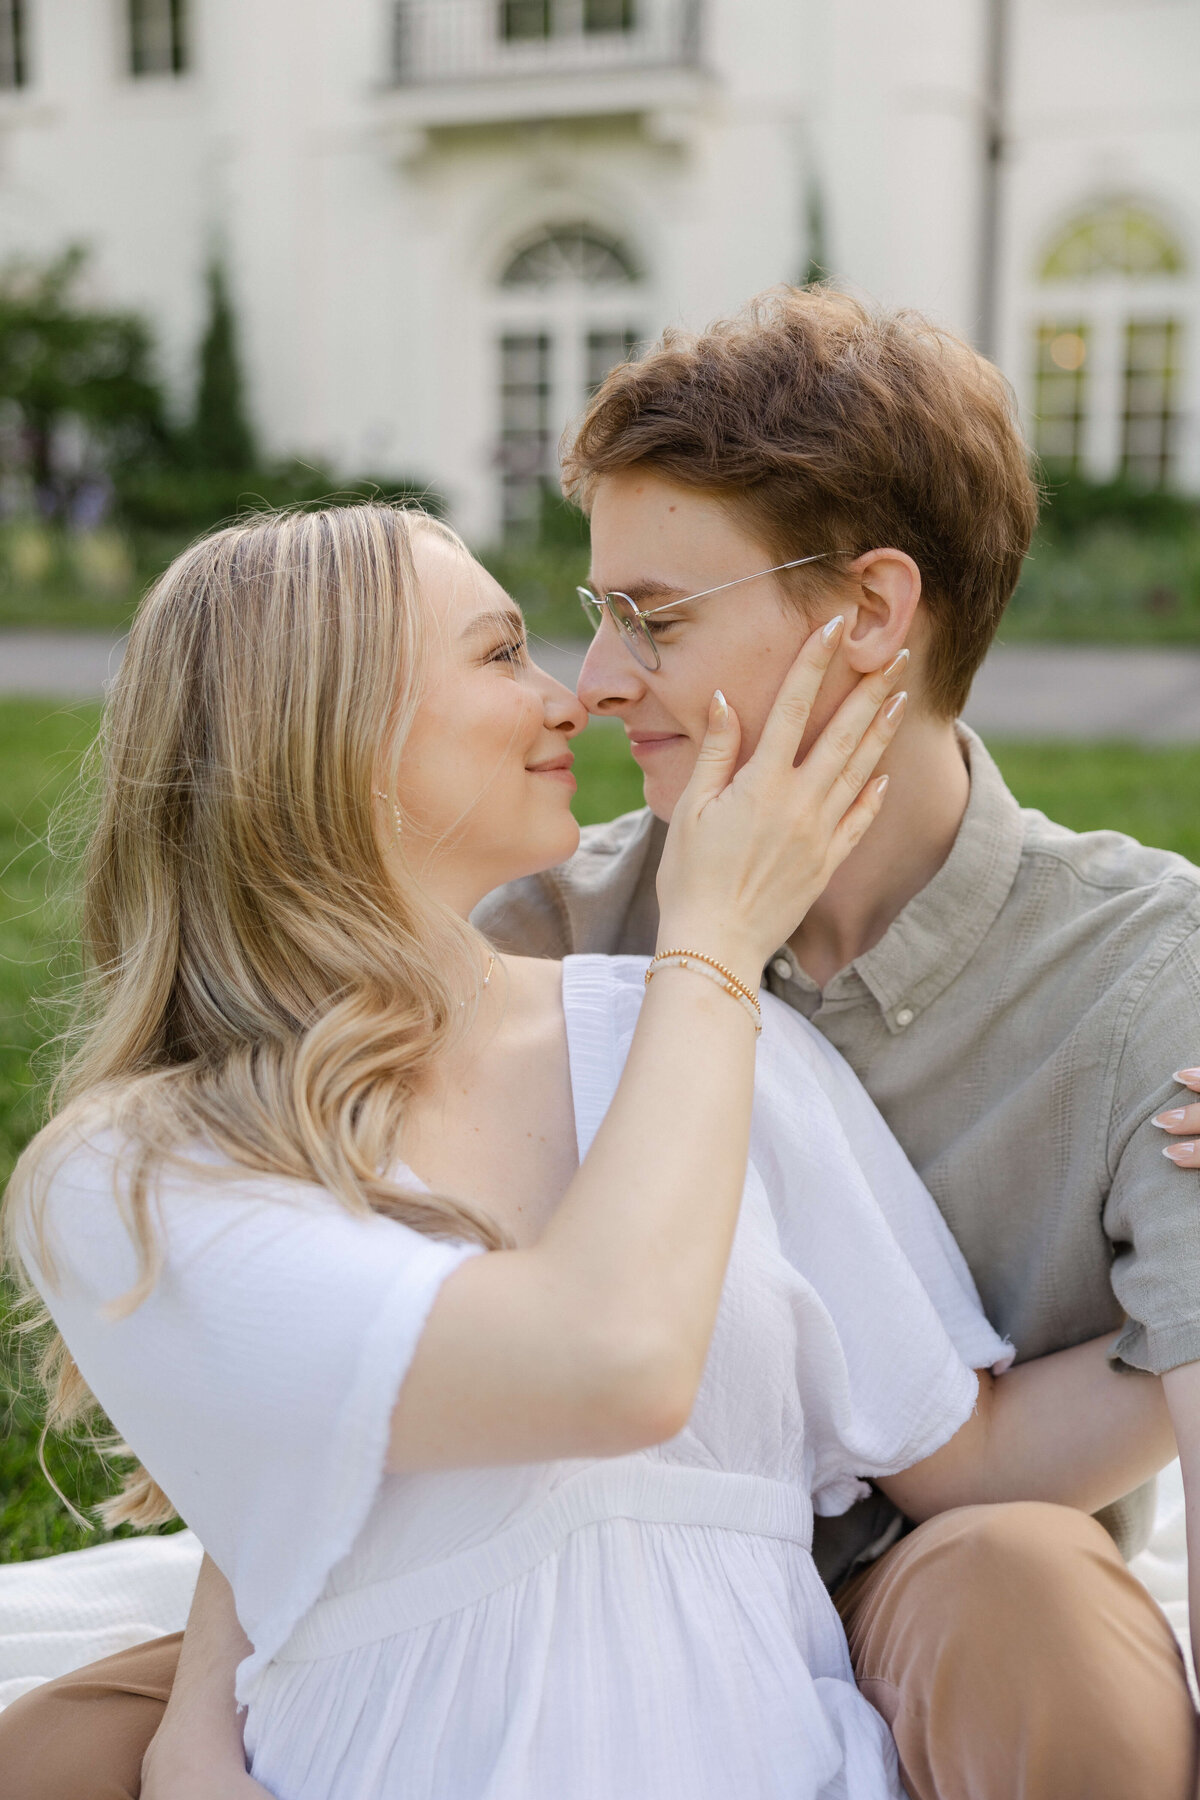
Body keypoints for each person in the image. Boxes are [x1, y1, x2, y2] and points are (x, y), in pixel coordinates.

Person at [0, 503, 1179, 1800]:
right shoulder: (129, 1177)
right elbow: (606, 1362)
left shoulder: (710, 1041)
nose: (578, 698)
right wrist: (718, 941)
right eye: (502, 654)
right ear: (325, 733)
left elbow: (975, 1454)